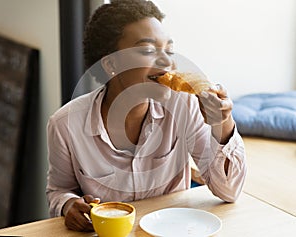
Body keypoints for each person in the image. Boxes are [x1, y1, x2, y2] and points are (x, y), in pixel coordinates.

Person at [46, 0, 247, 232]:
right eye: (149, 51)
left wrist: (222, 122)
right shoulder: (64, 124)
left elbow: (229, 191)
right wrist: (69, 205)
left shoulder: (185, 105)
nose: (168, 62)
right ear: (111, 64)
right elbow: (58, 191)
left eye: (169, 51)